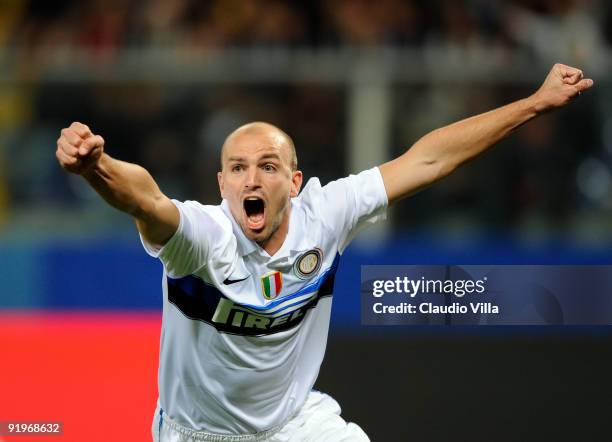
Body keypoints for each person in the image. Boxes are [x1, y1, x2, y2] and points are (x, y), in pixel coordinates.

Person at [56, 64, 592, 441]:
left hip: (294, 428)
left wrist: (533, 104)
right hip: (199, 435)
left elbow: (428, 160)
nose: (252, 177)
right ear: (221, 184)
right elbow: (145, 198)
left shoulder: (325, 216)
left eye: (267, 166)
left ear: (294, 183)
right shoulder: (201, 238)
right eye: (238, 168)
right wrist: (94, 168)